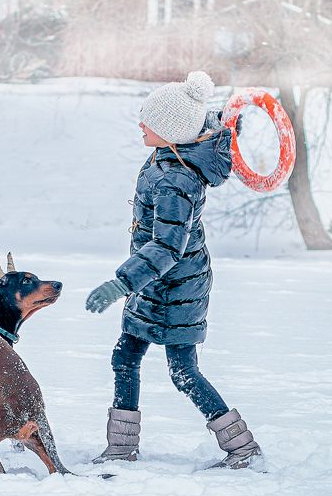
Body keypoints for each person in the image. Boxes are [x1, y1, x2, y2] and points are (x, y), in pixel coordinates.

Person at [85, 70, 262, 469]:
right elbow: (202, 122)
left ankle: (243, 447)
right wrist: (226, 117)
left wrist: (120, 283)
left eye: (149, 120)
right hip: (153, 282)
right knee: (125, 356)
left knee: (183, 371)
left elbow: (168, 245)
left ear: (172, 131)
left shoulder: (176, 179)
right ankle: (121, 448)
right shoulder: (171, 152)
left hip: (176, 286)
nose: (141, 124)